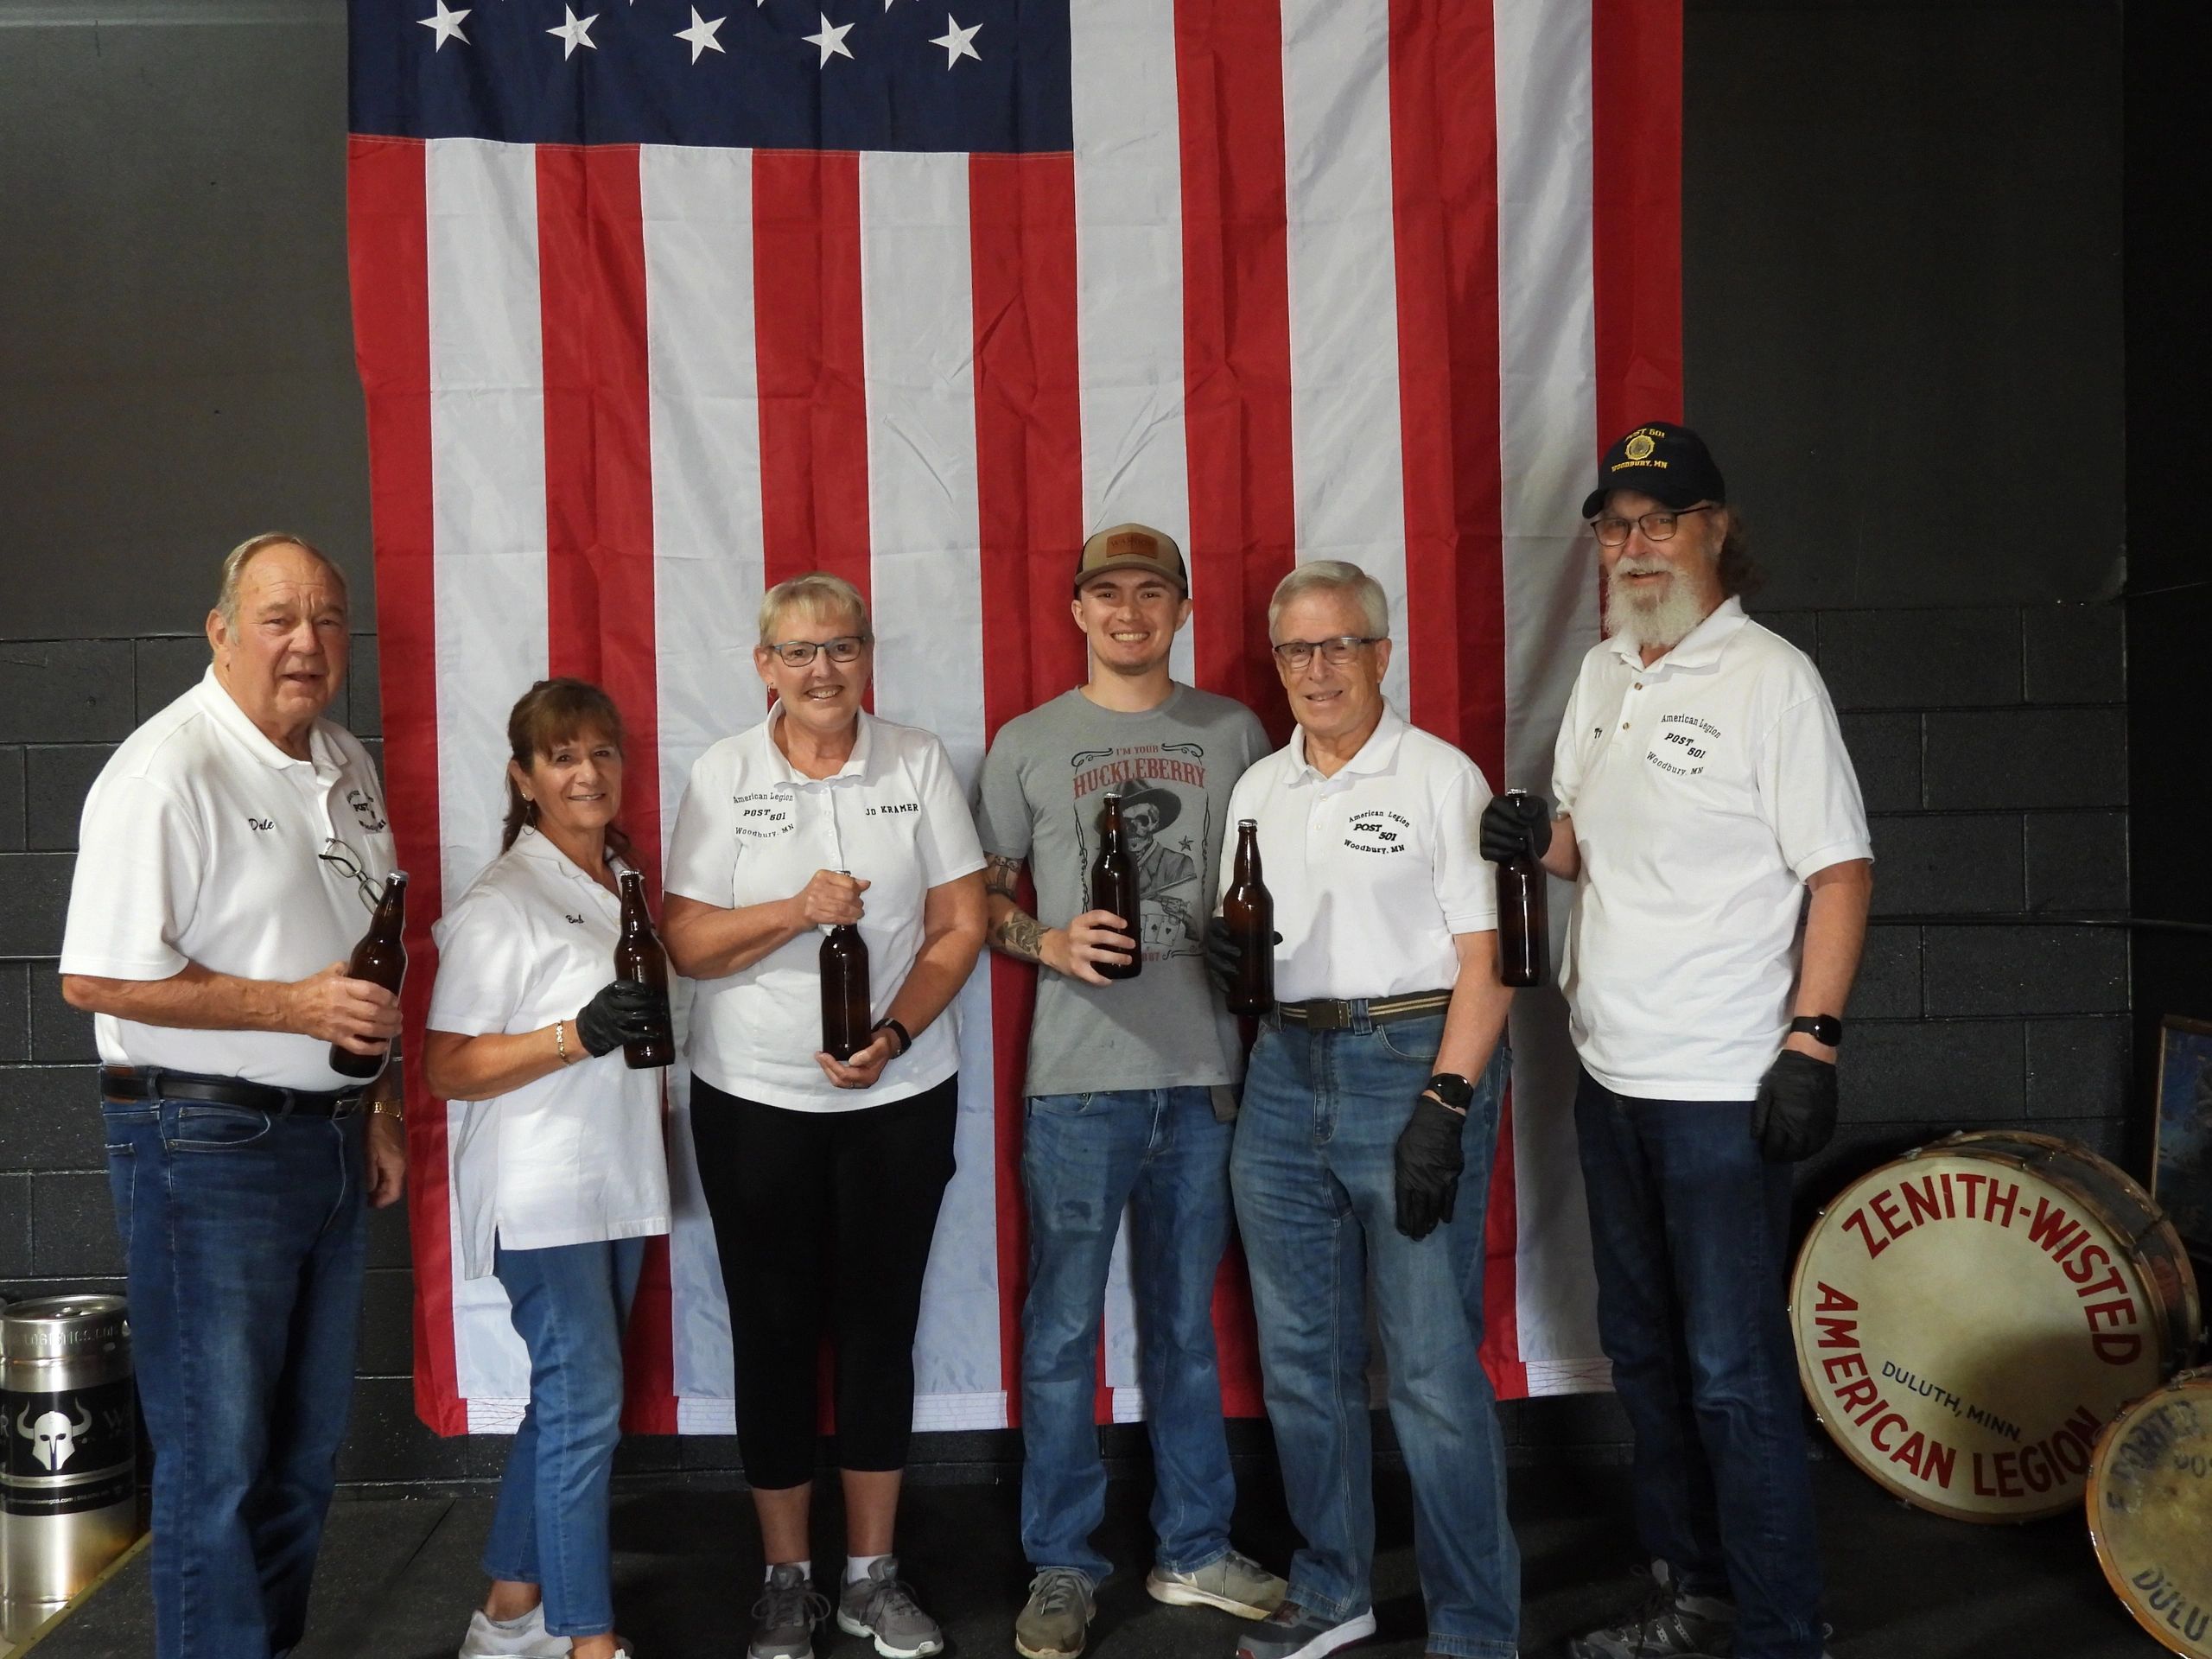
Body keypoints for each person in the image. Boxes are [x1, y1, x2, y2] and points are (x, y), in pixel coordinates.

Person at [1481, 422, 1872, 1659]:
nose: (1635, 545)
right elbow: (1586, 849)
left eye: (1660, 521)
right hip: (1612, 1074)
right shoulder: (1607, 673)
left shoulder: (1773, 679)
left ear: (1715, 530)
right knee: (1644, 1356)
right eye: (1616, 526)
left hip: (1722, 1085)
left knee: (1732, 1374)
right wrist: (1529, 837)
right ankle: (1694, 1593)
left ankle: (1780, 1628)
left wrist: (1810, 1043)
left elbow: (1843, 871)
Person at [58, 533, 409, 1659]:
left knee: (302, 1461)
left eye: (327, 619)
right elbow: (97, 975)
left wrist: (380, 1102)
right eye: (277, 618)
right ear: (220, 633)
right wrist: (293, 1013)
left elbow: (361, 958)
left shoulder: (344, 761)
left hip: (330, 1139)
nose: (306, 643)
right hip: (202, 1142)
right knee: (218, 1465)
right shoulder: (170, 769)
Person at [662, 572, 988, 1659]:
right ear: (764, 666)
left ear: (866, 657)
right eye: (799, 652)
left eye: (841, 648)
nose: (822, 670)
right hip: (755, 1100)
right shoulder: (723, 771)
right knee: (772, 1332)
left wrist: (892, 1034)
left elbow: (959, 921)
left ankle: (872, 1575)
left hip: (899, 1092)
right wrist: (796, 908)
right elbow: (688, 944)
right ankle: (785, 1580)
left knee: (879, 1328)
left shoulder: (917, 760)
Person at [975, 523, 1285, 1659]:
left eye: (1151, 592)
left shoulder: (1233, 730)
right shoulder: (1027, 743)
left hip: (1205, 1075)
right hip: (1076, 1086)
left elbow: (1274, 875)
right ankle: (1063, 1561)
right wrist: (1043, 941)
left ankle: (1194, 1546)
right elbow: (971, 899)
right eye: (1106, 592)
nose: (1128, 611)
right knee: (1061, 1332)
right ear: (1075, 610)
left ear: (1182, 609)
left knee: (1184, 1334)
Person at [1210, 560, 1519, 1659]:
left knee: (1431, 1364)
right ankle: (1333, 1588)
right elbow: (1250, 947)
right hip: (1285, 1072)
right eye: (1297, 649)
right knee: (1301, 1358)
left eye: (1341, 644)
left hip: (1410, 1056)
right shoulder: (1260, 789)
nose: (1318, 667)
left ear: (1383, 654)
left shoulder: (1440, 777)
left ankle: (1478, 1630)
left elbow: (1492, 958)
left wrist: (1448, 1097)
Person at [423, 679, 674, 1659]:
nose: (587, 772)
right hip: (542, 1195)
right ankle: (587, 1640)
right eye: (562, 757)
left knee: (566, 1403)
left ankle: (510, 1610)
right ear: (524, 779)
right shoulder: (504, 900)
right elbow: (448, 1065)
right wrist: (575, 1034)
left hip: (614, 1180)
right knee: (586, 1413)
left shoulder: (617, 880)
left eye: (602, 753)